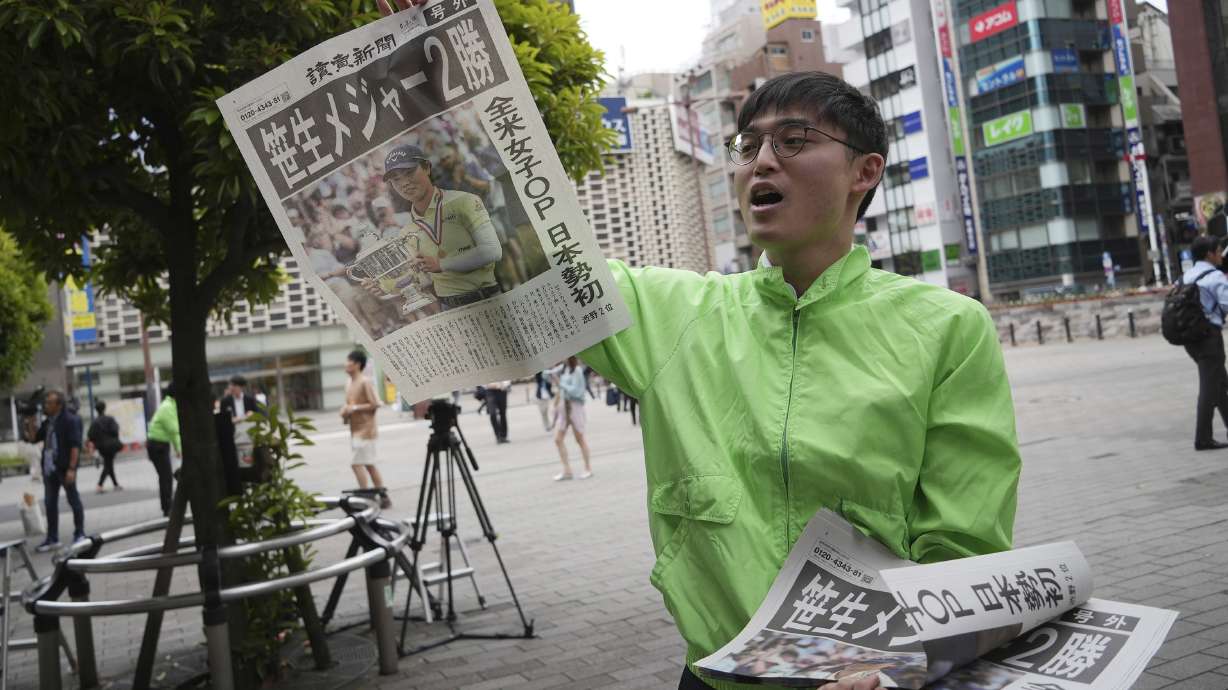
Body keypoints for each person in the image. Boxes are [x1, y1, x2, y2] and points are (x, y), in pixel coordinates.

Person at [381, 7, 1018, 690]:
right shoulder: (675, 312)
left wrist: (899, 663)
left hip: (878, 678)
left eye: (794, 140)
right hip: (715, 677)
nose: (761, 160)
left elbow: (966, 543)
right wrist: (434, 94)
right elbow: (532, 269)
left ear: (864, 172)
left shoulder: (947, 327)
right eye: (748, 146)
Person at [378, 144, 503, 310]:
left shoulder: (464, 201)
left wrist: (441, 264)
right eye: (396, 179)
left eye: (409, 172)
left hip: (488, 299)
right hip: (448, 307)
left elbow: (492, 251)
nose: (404, 183)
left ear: (427, 167)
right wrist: (383, 286)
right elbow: (421, 279)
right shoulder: (406, 232)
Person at [1181, 235, 1228, 450]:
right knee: (1210, 388)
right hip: (1209, 337)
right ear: (1209, 254)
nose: (1221, 255)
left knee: (1219, 383)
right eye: (1218, 251)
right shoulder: (1214, 276)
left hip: (1190, 338)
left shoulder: (1186, 276)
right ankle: (1203, 438)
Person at [30, 390, 85, 551]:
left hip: (64, 467)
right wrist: (30, 420)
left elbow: (75, 446)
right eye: (46, 402)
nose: (46, 405)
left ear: (58, 405)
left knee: (73, 500)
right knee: (50, 503)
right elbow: (34, 438)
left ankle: (79, 533)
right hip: (49, 469)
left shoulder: (70, 420)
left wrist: (72, 469)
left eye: (49, 403)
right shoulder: (48, 422)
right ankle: (52, 538)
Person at [342, 349, 392, 509]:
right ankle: (383, 497)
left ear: (357, 364)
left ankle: (365, 498)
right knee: (369, 464)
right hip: (355, 430)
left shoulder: (365, 382)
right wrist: (346, 412)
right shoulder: (348, 383)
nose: (345, 364)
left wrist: (355, 408)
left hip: (366, 431)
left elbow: (376, 403)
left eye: (348, 361)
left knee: (356, 464)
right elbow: (350, 405)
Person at [552, 357, 593, 481]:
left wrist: (561, 384)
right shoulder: (564, 368)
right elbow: (546, 376)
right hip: (564, 408)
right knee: (558, 439)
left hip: (575, 407)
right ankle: (567, 470)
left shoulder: (577, 370)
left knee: (579, 439)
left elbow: (577, 391)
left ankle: (588, 468)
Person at [146, 384, 181, 517]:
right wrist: (179, 448)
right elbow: (173, 430)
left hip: (159, 444)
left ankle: (168, 506)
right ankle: (167, 508)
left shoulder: (170, 405)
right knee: (166, 477)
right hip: (157, 445)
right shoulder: (168, 407)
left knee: (165, 476)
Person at [86, 400, 123, 493]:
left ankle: (115, 484)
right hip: (111, 445)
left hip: (101, 447)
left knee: (109, 464)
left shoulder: (95, 422)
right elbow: (115, 431)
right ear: (104, 408)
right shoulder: (110, 419)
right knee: (108, 465)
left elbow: (90, 435)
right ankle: (100, 485)